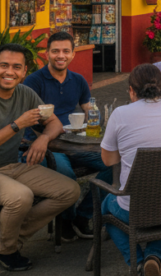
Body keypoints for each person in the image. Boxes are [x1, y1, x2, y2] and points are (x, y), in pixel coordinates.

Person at [0, 45, 81, 271]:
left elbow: (55, 123)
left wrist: (42, 139)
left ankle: (5, 237)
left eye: (16, 67)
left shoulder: (25, 93)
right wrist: (17, 125)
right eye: (4, 65)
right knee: (21, 196)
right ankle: (7, 249)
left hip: (10, 166)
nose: (9, 72)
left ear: (24, 72)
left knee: (70, 190)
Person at [101, 64, 161, 276]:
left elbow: (108, 160)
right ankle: (154, 258)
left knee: (107, 205)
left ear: (131, 90)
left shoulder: (120, 114)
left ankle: (138, 263)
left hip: (136, 208)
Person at [22, 31, 111, 239]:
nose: (60, 56)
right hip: (43, 145)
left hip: (74, 143)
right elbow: (32, 121)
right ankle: (66, 222)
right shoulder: (33, 82)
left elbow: (90, 110)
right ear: (46, 54)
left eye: (65, 51)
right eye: (55, 51)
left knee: (117, 164)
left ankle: (82, 216)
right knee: (66, 175)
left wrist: (103, 124)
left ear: (73, 55)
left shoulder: (78, 80)